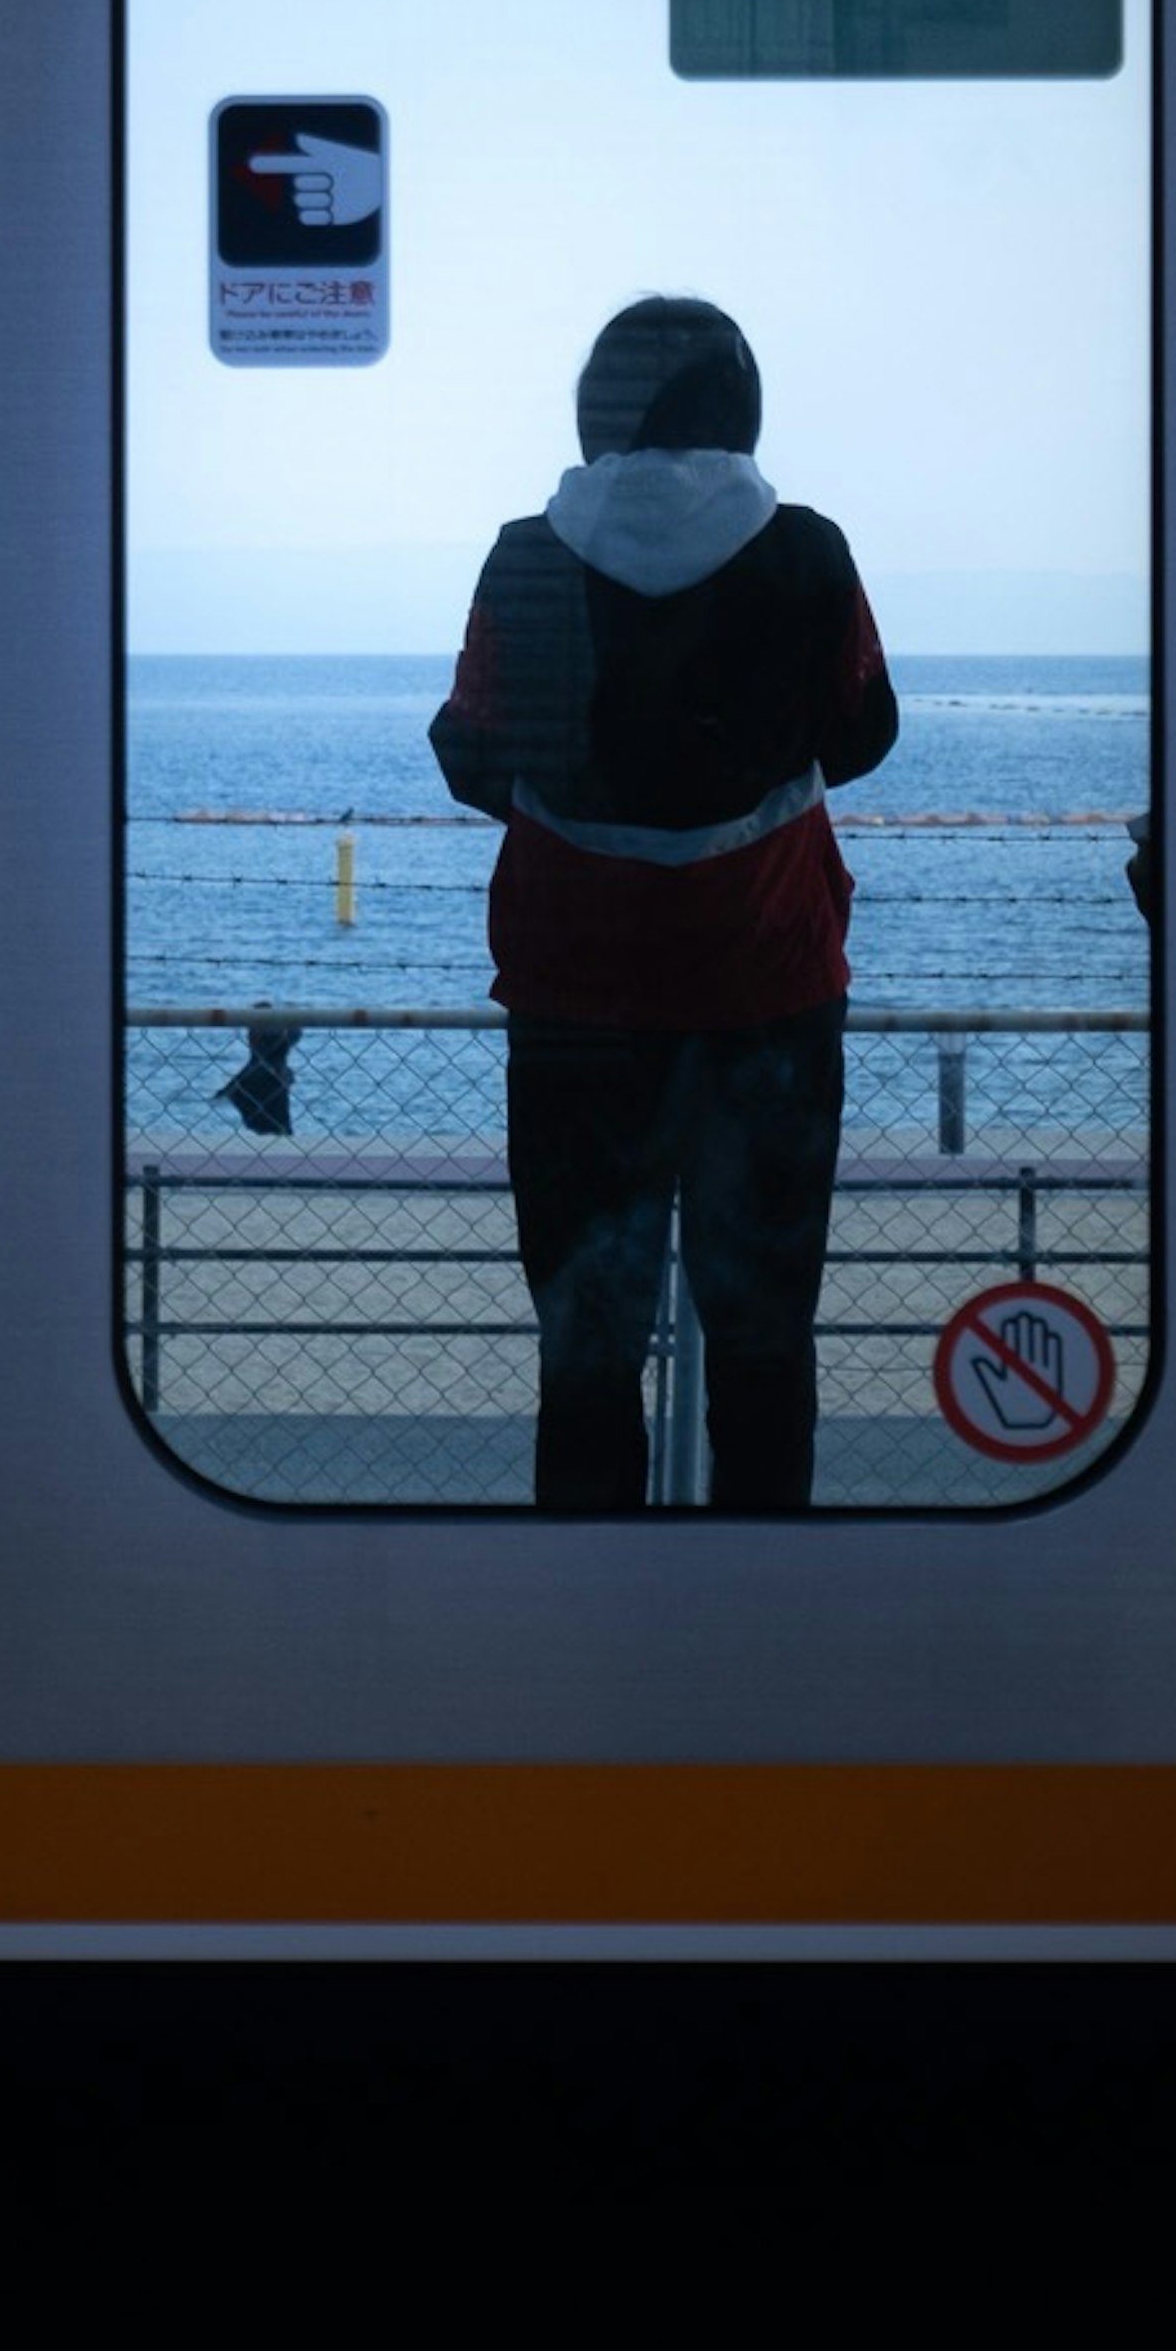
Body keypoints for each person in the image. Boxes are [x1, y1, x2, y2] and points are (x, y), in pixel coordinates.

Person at [430, 294, 898, 1511]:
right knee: (763, 1339)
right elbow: (866, 730)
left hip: (577, 1008)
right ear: (742, 406)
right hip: (771, 991)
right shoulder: (809, 550)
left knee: (586, 1352)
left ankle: (593, 1608)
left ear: (596, 409)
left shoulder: (525, 553)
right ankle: (763, 1602)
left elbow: (473, 750)